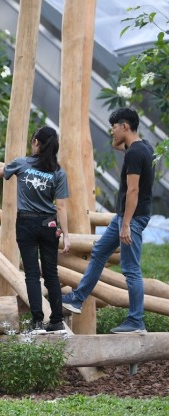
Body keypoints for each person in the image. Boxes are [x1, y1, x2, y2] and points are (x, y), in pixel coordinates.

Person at [62, 107, 155, 333]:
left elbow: (133, 191)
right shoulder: (143, 148)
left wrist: (126, 225)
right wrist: (122, 220)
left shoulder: (134, 153)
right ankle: (78, 298)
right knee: (100, 252)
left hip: (131, 218)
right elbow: (117, 144)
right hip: (124, 216)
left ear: (125, 126)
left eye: (114, 126)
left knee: (131, 268)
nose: (111, 131)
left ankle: (136, 321)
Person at [0, 126, 70, 334]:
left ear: (36, 142)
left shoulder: (23, 163)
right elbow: (60, 206)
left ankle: (37, 323)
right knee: (52, 274)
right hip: (49, 225)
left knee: (32, 274)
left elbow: (1, 170)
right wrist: (66, 235)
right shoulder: (58, 172)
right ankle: (57, 322)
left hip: (26, 224)